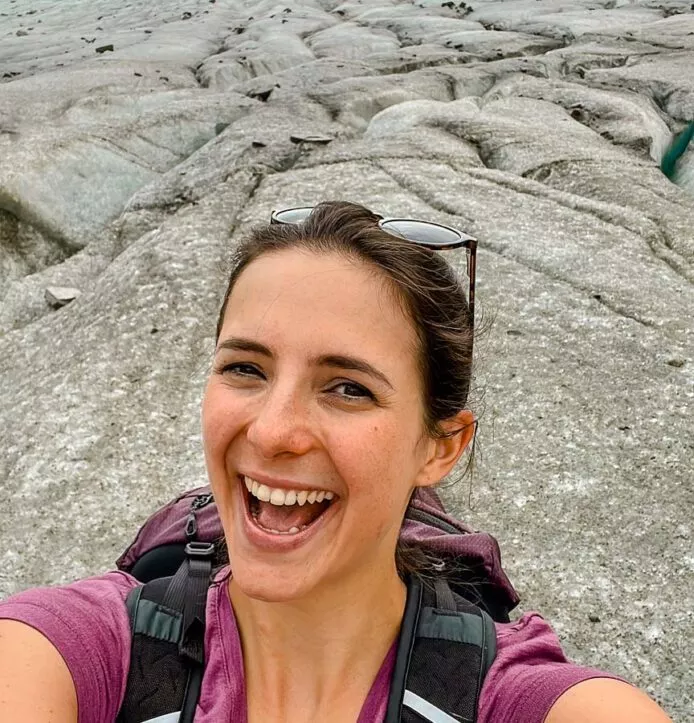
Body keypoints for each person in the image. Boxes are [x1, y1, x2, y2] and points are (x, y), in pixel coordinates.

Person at [0, 201, 672, 723]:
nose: (272, 431)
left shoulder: (500, 695)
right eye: (245, 367)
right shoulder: (103, 647)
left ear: (439, 445)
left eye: (348, 387)